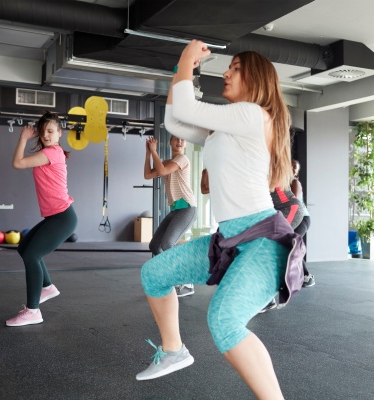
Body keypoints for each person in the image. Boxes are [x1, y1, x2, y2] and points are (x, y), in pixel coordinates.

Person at [137, 40, 304, 400]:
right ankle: (173, 350)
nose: (226, 73)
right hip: (229, 238)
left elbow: (185, 106)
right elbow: (175, 120)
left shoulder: (252, 114)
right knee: (155, 274)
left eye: (236, 68)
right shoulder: (227, 127)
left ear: (256, 78)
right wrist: (182, 72)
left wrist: (186, 60)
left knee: (224, 321)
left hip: (262, 240)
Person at [6, 111, 77, 327]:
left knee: (32, 255)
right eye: (43, 131)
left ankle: (33, 310)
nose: (46, 134)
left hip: (63, 217)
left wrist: (23, 138)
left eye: (50, 130)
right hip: (56, 217)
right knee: (24, 247)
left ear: (59, 133)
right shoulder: (51, 152)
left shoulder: (53, 153)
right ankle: (46, 287)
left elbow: (17, 163)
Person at [144, 135, 197, 297]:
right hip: (175, 210)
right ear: (170, 142)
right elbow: (148, 175)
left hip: (187, 208)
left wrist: (154, 151)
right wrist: (148, 153)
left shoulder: (182, 159)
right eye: (176, 139)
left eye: (182, 139)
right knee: (155, 246)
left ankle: (186, 282)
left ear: (185, 143)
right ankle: (169, 276)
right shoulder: (166, 161)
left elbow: (162, 171)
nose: (179, 141)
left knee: (168, 243)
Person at [291, 159, 315, 288]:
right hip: (291, 217)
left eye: (295, 167)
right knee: (291, 244)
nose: (292, 168)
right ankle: (302, 275)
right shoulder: (280, 183)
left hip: (302, 218)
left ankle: (307, 276)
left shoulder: (295, 182)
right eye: (291, 165)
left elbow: (293, 203)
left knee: (293, 242)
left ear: (297, 172)